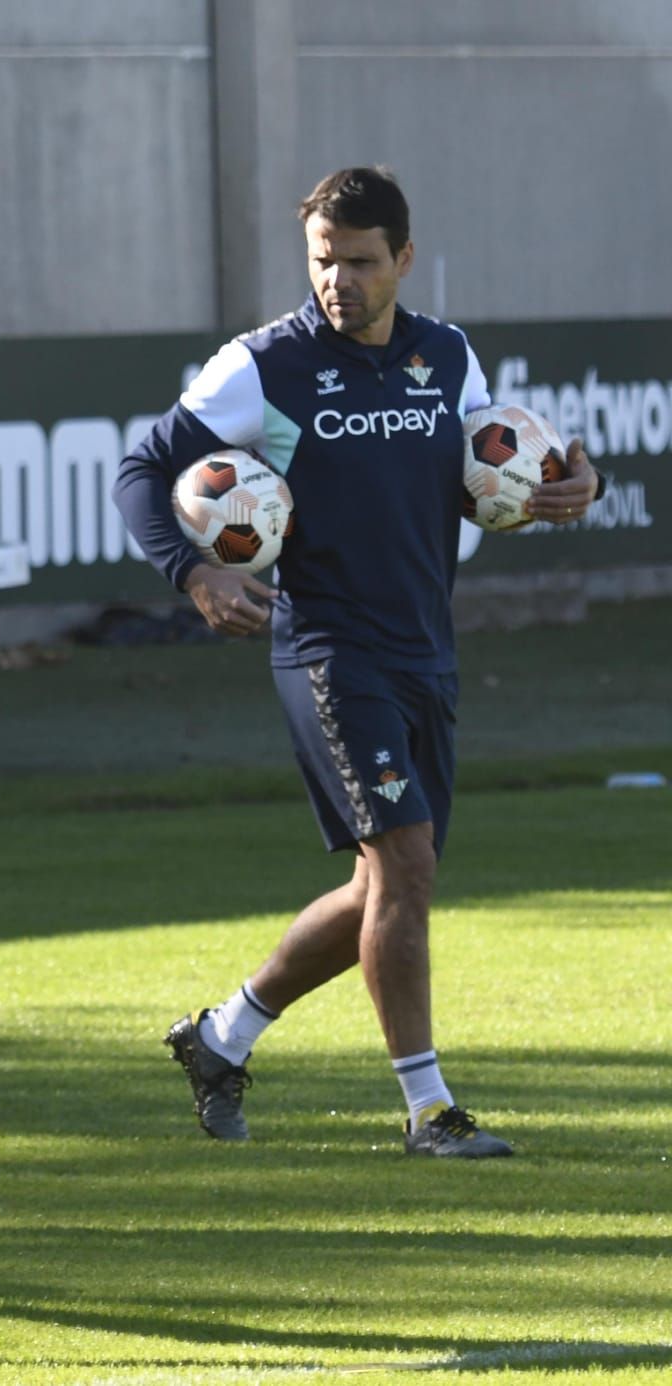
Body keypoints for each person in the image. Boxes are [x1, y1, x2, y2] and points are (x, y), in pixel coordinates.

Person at [115, 166, 604, 1158]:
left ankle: (221, 1037)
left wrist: (563, 481)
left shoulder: (444, 355)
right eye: (321, 261)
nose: (336, 280)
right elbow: (141, 466)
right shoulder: (260, 366)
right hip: (327, 649)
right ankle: (427, 1109)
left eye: (358, 261)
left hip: (425, 644)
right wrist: (191, 574)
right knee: (405, 867)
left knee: (388, 887)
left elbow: (477, 478)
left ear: (402, 260)